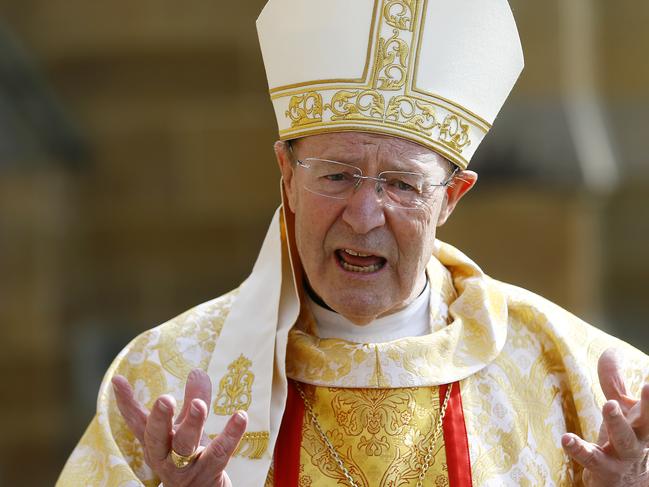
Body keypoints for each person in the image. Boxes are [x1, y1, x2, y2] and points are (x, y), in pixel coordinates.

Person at [58, 0, 649, 485]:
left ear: (451, 197)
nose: (365, 216)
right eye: (336, 175)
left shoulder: (588, 386)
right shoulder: (164, 379)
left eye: (402, 184)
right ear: (287, 178)